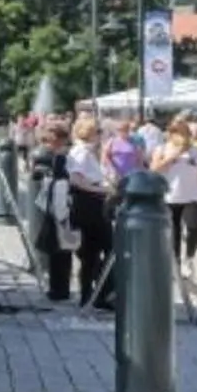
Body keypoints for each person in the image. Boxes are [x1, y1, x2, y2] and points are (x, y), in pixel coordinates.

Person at [65, 116, 116, 310]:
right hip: (88, 204)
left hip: (92, 202)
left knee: (95, 252)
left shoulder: (88, 151)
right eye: (98, 132)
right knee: (98, 250)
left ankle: (97, 293)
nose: (101, 135)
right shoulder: (81, 152)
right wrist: (101, 190)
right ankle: (97, 293)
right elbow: (76, 179)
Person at [152, 118, 197, 270]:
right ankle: (175, 265)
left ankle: (189, 256)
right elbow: (154, 169)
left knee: (193, 229)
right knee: (173, 235)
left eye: (185, 133)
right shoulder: (162, 149)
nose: (182, 136)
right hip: (169, 198)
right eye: (178, 132)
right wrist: (172, 157)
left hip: (192, 197)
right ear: (170, 134)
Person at [30, 121, 76, 301]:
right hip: (60, 204)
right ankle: (59, 287)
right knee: (60, 248)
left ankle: (59, 288)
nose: (47, 144)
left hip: (58, 205)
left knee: (59, 248)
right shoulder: (61, 155)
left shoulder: (60, 156)